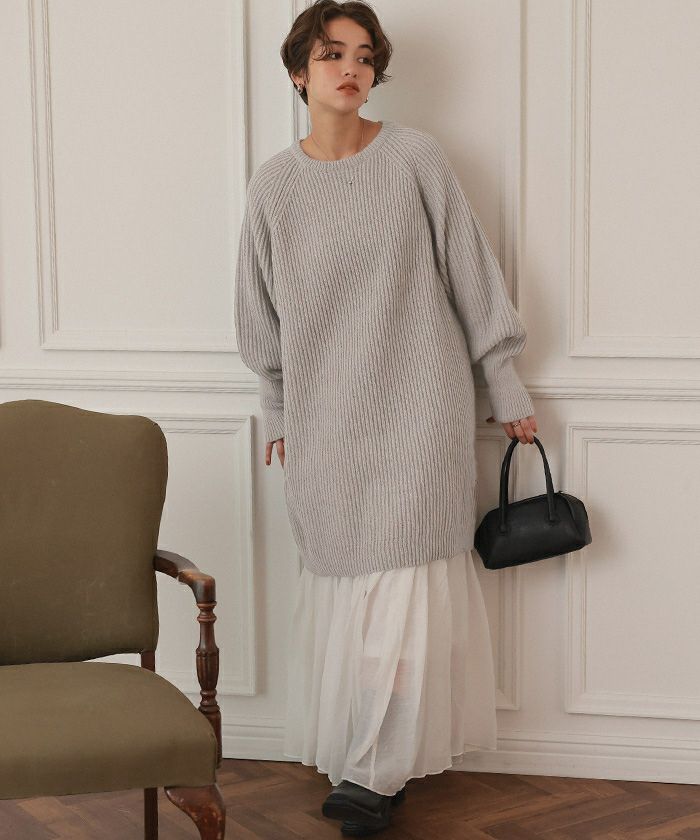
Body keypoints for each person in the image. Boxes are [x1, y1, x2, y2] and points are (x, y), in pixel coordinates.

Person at [234, 1, 538, 835]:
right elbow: (261, 316)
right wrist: (277, 411)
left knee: (405, 596)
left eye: (365, 56)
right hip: (326, 420)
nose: (351, 69)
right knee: (351, 592)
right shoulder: (273, 185)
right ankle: (370, 755)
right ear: (298, 72)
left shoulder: (414, 158)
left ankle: (374, 771)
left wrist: (505, 383)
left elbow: (471, 274)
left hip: (422, 409)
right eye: (331, 54)